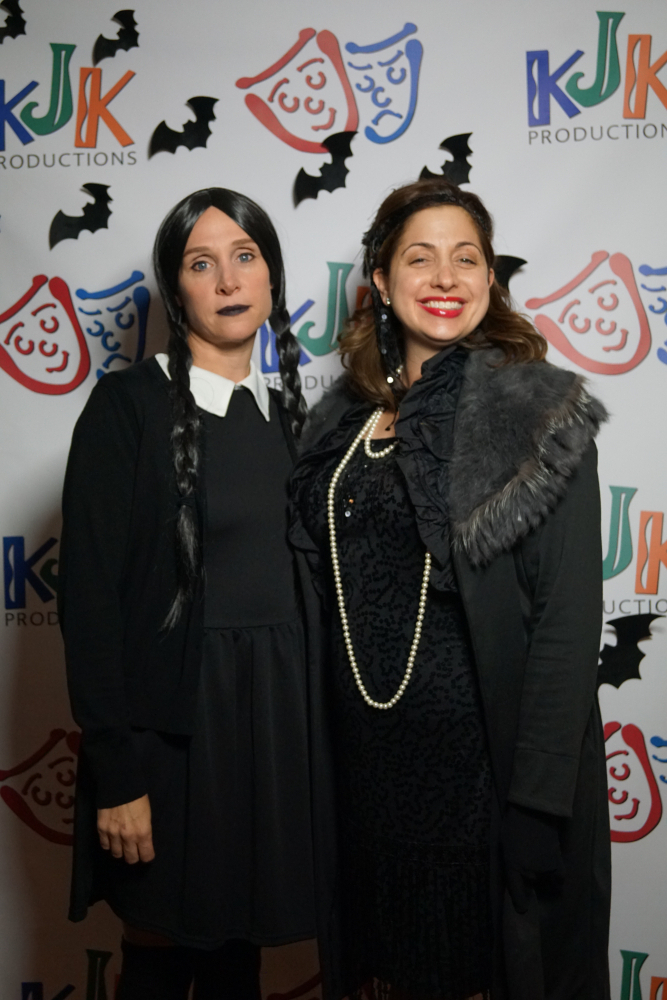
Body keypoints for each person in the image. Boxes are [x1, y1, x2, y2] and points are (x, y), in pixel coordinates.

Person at [290, 178, 611, 1000]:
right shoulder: (338, 421)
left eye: (466, 259)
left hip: (479, 782)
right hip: (366, 781)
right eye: (419, 258)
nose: (444, 277)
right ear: (381, 281)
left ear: (489, 280)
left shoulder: (536, 412)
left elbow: (567, 619)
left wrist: (537, 802)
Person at [59, 187, 333, 1000]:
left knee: (235, 960)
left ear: (272, 277)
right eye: (200, 263)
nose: (227, 280)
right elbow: (90, 604)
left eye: (245, 257)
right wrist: (118, 773)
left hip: (275, 729)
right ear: (174, 288)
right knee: (156, 953)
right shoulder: (126, 408)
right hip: (172, 739)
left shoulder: (297, 418)